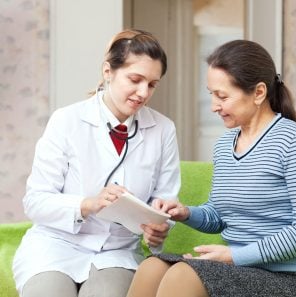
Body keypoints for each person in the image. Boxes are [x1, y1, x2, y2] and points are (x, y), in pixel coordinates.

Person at [126, 39, 296, 297]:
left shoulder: (294, 140)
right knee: (152, 267)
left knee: (183, 275)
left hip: (293, 279)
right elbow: (220, 216)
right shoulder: (224, 146)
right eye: (211, 94)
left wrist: (234, 256)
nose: (214, 106)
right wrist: (185, 213)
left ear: (258, 93)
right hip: (242, 270)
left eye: (222, 96)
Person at [12, 29, 180, 297]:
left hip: (117, 253)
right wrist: (87, 205)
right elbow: (35, 202)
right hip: (55, 247)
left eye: (152, 84)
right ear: (108, 71)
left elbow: (164, 200)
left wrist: (159, 227)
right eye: (135, 79)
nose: (142, 92)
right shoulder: (66, 120)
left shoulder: (163, 129)